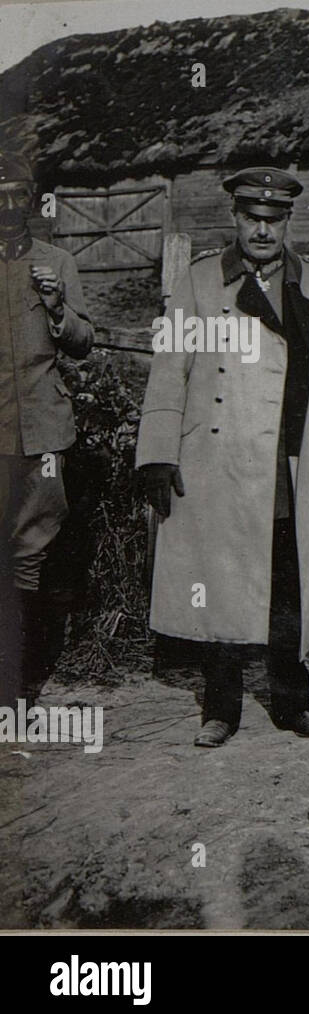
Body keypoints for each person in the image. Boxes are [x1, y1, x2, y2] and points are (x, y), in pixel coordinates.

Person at [136, 166, 309, 748]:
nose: (263, 230)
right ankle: (221, 708)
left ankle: (293, 701)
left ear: (288, 221)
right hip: (216, 460)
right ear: (235, 218)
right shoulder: (199, 281)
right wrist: (158, 453)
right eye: (252, 218)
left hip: (289, 461)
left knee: (288, 583)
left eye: (274, 219)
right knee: (219, 582)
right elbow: (170, 371)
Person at [0, 148, 96, 706]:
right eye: (0, 198)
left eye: (20, 196)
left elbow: (83, 344)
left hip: (44, 432)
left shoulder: (57, 262)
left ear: (34, 201)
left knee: (32, 551)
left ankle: (20, 688)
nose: (10, 207)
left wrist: (57, 308)